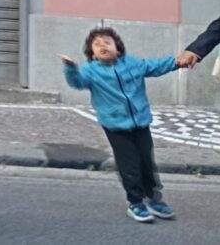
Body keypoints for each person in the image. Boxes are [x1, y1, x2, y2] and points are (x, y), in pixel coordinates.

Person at [61, 26, 180, 224]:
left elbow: (156, 66)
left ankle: (153, 199)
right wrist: (71, 68)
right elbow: (77, 83)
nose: (102, 46)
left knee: (146, 163)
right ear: (92, 53)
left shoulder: (132, 64)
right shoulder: (90, 71)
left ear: (118, 48)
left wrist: (178, 61)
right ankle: (135, 203)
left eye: (107, 42)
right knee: (130, 166)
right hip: (115, 126)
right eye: (97, 45)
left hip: (140, 123)